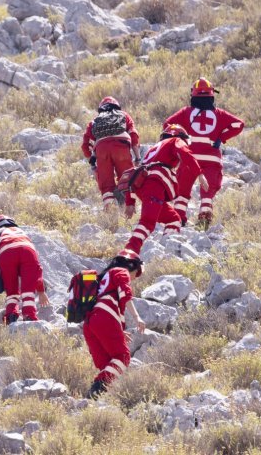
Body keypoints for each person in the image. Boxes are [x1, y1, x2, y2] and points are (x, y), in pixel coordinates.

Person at [164, 78, 244, 229]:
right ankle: (204, 219)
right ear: (212, 95)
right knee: (208, 191)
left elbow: (168, 124)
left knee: (183, 189)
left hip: (189, 157)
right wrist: (222, 137)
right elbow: (239, 124)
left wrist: (178, 141)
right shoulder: (219, 113)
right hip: (211, 159)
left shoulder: (186, 112)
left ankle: (178, 218)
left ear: (193, 95)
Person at [123, 124, 209, 255]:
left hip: (142, 187)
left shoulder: (153, 150)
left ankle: (168, 251)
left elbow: (136, 174)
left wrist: (130, 203)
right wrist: (200, 174)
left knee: (174, 218)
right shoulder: (176, 140)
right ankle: (129, 253)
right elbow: (185, 153)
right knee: (147, 222)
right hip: (155, 184)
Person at [82, 250, 146, 399]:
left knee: (108, 365)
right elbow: (126, 295)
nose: (135, 278)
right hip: (104, 318)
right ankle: (95, 391)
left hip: (90, 323)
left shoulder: (102, 278)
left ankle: (96, 398)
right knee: (122, 357)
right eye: (137, 273)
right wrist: (137, 318)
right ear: (131, 265)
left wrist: (118, 331)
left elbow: (102, 304)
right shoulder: (120, 272)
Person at [0, 215, 50, 324]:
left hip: (7, 254)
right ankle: (30, 317)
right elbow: (36, 269)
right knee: (28, 291)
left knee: (12, 291)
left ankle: (11, 316)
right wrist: (41, 291)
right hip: (29, 252)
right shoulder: (21, 232)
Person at [81, 96, 141, 211]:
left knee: (106, 185)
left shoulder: (95, 121)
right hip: (121, 147)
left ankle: (110, 214)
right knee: (127, 180)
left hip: (102, 149)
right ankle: (129, 210)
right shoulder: (124, 115)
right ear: (117, 106)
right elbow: (133, 136)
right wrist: (138, 158)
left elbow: (85, 145)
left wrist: (93, 165)